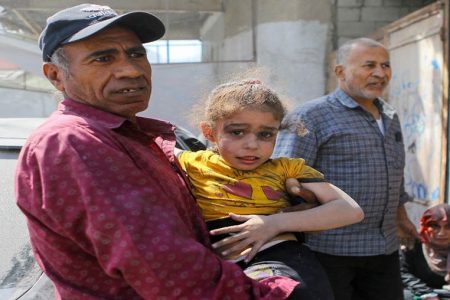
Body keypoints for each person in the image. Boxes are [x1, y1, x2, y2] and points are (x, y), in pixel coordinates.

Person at [14, 4, 302, 299]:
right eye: (103, 58)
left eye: (137, 54)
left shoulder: (135, 137)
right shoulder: (74, 141)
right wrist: (273, 294)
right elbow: (171, 274)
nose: (131, 69)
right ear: (56, 76)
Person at [176, 78, 365, 299]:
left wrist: (273, 223)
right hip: (221, 268)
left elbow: (351, 210)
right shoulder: (191, 163)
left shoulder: (287, 168)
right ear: (209, 132)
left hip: (285, 262)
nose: (252, 144)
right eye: (237, 132)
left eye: (266, 134)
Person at [273, 37, 420, 300]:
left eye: (385, 66)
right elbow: (283, 177)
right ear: (340, 71)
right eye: (369, 65)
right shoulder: (310, 115)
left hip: (384, 249)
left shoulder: (390, 116)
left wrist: (401, 218)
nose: (380, 73)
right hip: (329, 250)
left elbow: (395, 173)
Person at [401, 204, 450, 300]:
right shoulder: (412, 243)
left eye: (448, 226)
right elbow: (402, 273)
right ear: (424, 226)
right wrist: (426, 293)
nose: (441, 233)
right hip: (420, 293)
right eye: (434, 226)